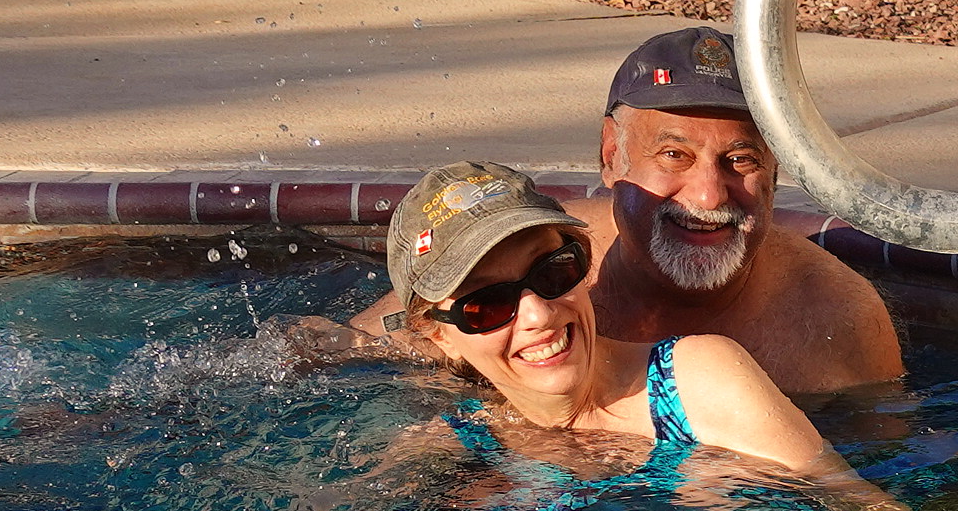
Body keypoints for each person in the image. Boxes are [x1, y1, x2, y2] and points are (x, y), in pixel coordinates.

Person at [379, 158, 958, 511]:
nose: (538, 313)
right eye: (486, 305)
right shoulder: (452, 441)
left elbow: (855, 498)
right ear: (435, 331)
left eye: (553, 271)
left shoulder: (694, 378)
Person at [347, 26, 903, 398]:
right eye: (673, 155)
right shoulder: (546, 261)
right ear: (612, 156)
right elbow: (351, 346)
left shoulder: (837, 320)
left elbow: (889, 487)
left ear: (776, 169)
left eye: (740, 159)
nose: (709, 196)